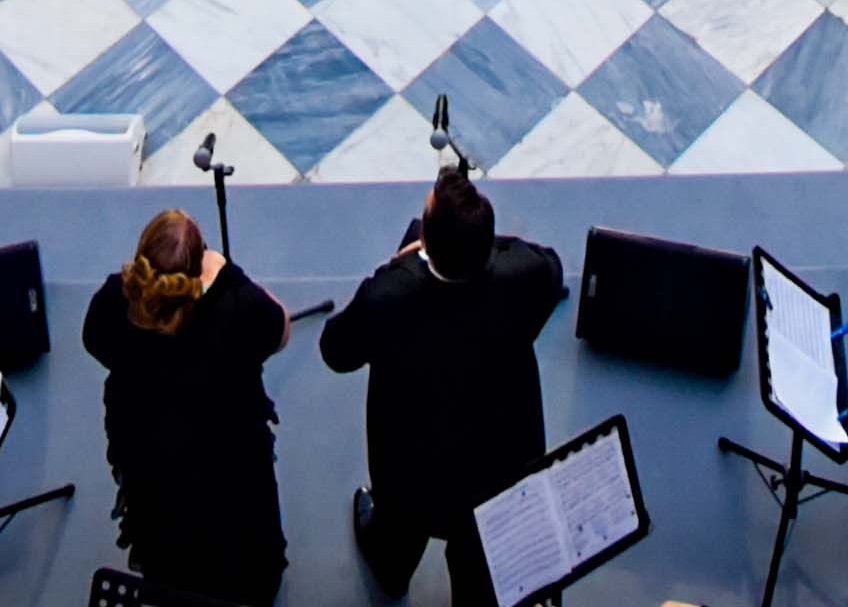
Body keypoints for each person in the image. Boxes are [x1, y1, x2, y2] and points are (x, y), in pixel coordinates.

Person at [319, 163, 565, 600]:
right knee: (479, 565)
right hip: (499, 461)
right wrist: (482, 245)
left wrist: (398, 265)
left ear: (426, 243)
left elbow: (336, 351)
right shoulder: (524, 273)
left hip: (412, 466)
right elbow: (551, 267)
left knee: (398, 528)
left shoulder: (389, 295)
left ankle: (392, 568)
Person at [82, 206, 292, 607]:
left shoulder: (114, 301)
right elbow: (280, 330)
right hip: (230, 477)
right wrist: (228, 273)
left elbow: (94, 342)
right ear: (199, 269)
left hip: (154, 477)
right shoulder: (237, 304)